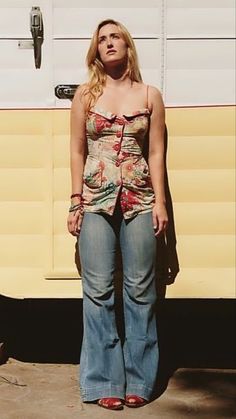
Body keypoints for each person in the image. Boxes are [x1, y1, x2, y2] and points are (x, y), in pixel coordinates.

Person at [67, 18, 168, 410]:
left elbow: (156, 152)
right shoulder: (85, 96)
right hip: (95, 199)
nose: (109, 43)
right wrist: (75, 200)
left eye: (116, 37)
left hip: (140, 199)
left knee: (141, 291)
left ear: (127, 46)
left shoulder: (149, 95)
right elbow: (77, 150)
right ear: (96, 50)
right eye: (102, 39)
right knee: (97, 291)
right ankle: (104, 380)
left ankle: (140, 379)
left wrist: (160, 202)